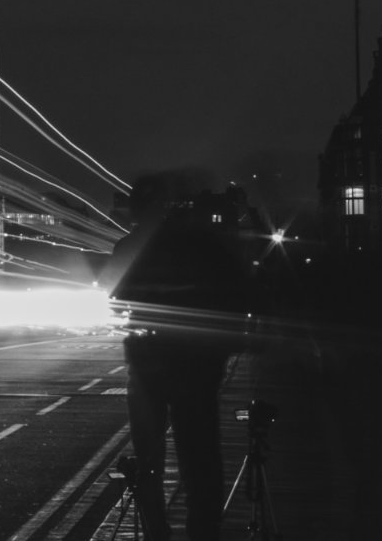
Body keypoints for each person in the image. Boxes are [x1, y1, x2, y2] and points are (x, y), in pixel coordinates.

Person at [105, 184, 252, 541]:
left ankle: (157, 531)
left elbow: (113, 298)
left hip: (148, 364)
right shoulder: (206, 244)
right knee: (200, 456)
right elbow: (242, 294)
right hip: (198, 363)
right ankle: (204, 531)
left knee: (148, 460)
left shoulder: (130, 247)